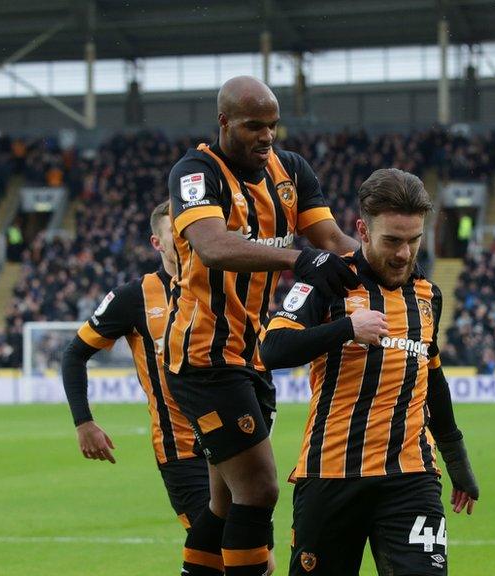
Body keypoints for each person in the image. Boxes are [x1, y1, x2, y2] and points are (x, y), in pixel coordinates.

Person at [165, 75, 360, 576]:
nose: (267, 136)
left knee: (226, 502)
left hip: (250, 360)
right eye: (254, 126)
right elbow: (213, 246)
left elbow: (333, 240)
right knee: (260, 488)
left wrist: (394, 268)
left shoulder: (290, 170)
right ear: (225, 122)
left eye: (273, 126)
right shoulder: (195, 172)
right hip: (205, 358)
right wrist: (300, 260)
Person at [260, 168, 480, 575]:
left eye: (413, 241)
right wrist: (347, 328)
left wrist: (458, 462)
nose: (403, 254)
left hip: (411, 476)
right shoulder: (328, 280)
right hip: (331, 474)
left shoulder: (428, 295)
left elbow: (432, 381)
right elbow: (271, 350)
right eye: (392, 241)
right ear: (362, 230)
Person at [61, 200, 209, 550]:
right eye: (176, 232)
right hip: (181, 449)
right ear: (157, 243)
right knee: (217, 547)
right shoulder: (133, 297)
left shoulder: (223, 283)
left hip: (235, 444)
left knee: (256, 557)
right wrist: (84, 422)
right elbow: (74, 354)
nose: (185, 238)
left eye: (190, 229)